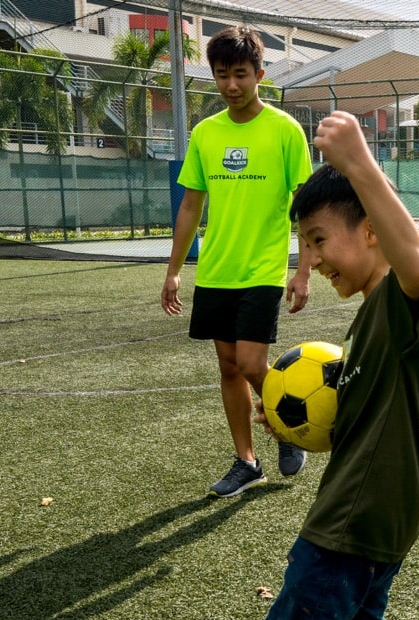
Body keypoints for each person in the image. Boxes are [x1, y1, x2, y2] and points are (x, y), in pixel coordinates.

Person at [144, 111, 419, 620]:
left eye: (317, 241)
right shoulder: (370, 318)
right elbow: (367, 420)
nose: (311, 259)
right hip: (384, 514)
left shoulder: (397, 304)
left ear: (368, 227)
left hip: (351, 518)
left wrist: (362, 165)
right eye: (303, 245)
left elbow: (418, 265)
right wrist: (291, 417)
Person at [161, 25, 314, 498]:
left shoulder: (285, 130)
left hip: (263, 268)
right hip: (217, 270)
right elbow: (191, 205)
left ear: (260, 75)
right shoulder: (206, 133)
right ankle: (246, 462)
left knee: (250, 362)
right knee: (228, 367)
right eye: (223, 75)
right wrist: (173, 269)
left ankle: (290, 427)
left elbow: (306, 204)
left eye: (241, 75)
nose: (231, 85)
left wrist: (303, 269)